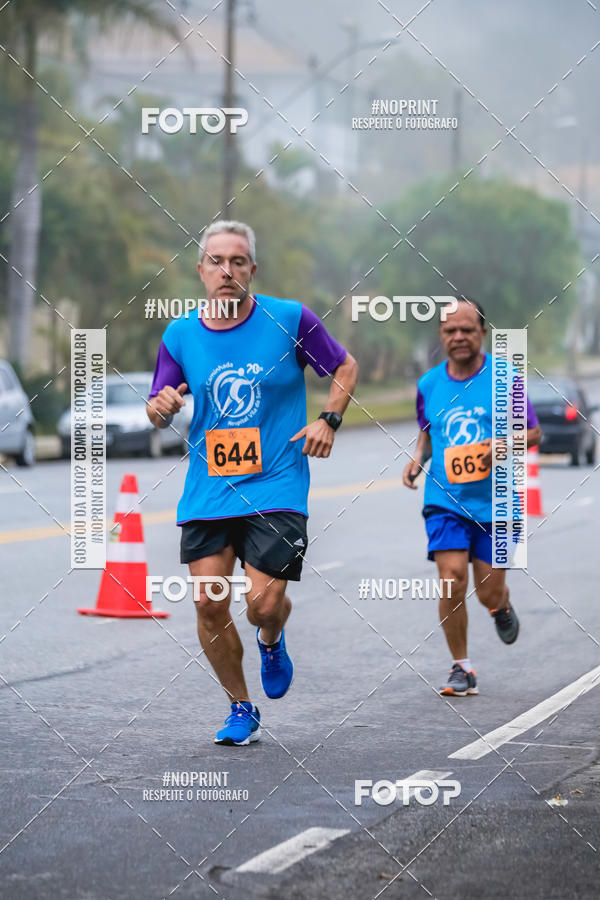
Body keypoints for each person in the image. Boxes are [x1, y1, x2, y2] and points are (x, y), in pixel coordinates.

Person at [146, 221, 358, 743]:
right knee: (208, 603)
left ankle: (270, 636)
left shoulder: (290, 319)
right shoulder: (180, 335)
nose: (227, 270)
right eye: (216, 261)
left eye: (237, 261)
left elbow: (344, 366)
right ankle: (241, 707)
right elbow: (157, 406)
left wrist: (328, 420)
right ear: (201, 271)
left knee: (261, 604)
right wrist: (161, 406)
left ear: (252, 270)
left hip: (277, 482)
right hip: (210, 488)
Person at [402, 297, 541, 696]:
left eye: (467, 329)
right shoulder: (428, 384)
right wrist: (417, 459)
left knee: (488, 591)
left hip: (497, 503)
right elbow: (428, 432)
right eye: (450, 330)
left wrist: (503, 445)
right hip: (445, 500)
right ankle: (461, 667)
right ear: (441, 335)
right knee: (451, 579)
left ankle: (501, 605)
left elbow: (533, 433)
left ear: (482, 332)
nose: (459, 337)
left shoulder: (506, 378)